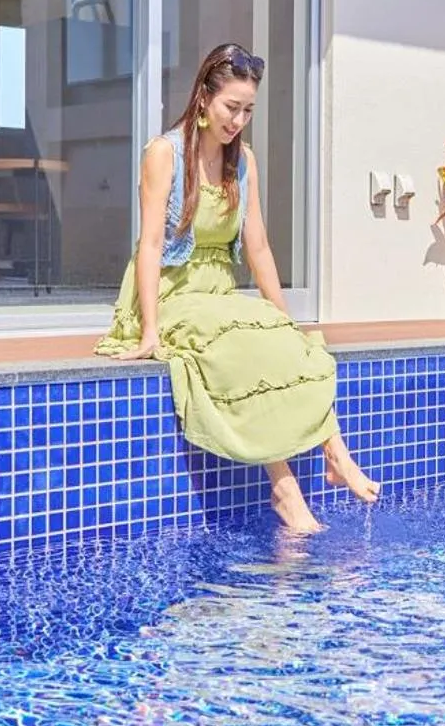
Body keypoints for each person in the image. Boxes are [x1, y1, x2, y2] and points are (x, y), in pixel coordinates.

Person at [98, 42, 379, 532]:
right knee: (238, 347)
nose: (238, 120)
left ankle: (334, 452)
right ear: (204, 98)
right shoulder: (164, 154)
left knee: (281, 335)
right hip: (171, 291)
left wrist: (285, 319)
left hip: (219, 294)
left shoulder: (242, 161)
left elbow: (260, 248)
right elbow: (148, 247)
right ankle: (285, 489)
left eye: (248, 110)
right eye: (232, 107)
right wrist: (149, 331)